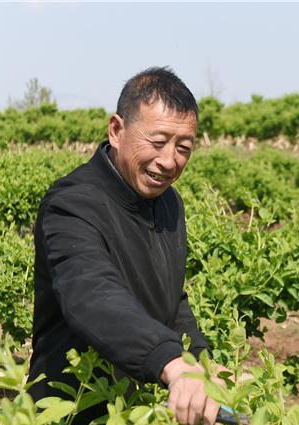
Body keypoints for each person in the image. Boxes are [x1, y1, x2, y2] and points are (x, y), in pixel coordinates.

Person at [29, 67, 220, 425]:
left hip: (135, 404)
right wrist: (170, 362)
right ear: (117, 130)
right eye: (157, 141)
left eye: (183, 148)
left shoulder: (169, 203)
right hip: (74, 405)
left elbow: (171, 299)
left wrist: (202, 363)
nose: (169, 161)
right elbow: (92, 292)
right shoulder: (72, 204)